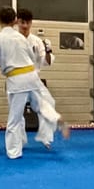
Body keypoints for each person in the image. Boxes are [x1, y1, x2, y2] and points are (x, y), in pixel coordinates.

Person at [0, 7, 68, 158]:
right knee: (40, 104)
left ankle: (14, 152)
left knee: (15, 118)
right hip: (32, 76)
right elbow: (31, 58)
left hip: (16, 79)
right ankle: (54, 117)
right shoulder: (22, 38)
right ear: (15, 21)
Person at [16, 8, 69, 151]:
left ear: (31, 23)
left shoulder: (37, 41)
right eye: (22, 22)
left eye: (27, 23)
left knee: (49, 103)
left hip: (34, 79)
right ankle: (19, 141)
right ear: (17, 22)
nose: (25, 26)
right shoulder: (13, 39)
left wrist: (48, 51)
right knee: (17, 113)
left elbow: (46, 62)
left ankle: (46, 139)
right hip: (16, 81)